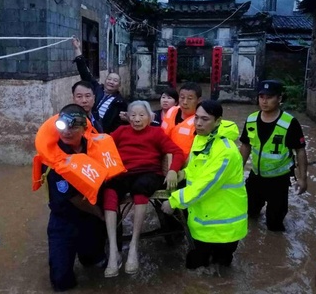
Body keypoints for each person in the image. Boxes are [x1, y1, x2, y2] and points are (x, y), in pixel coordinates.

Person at [33, 104, 125, 291]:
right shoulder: (53, 158)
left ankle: (95, 253)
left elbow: (113, 181)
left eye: (74, 126)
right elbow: (73, 198)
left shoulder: (97, 149)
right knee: (61, 281)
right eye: (63, 126)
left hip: (91, 220)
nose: (67, 131)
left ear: (85, 128)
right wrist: (100, 214)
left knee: (94, 265)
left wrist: (108, 215)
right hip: (64, 220)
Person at [102, 101, 185, 277]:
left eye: (141, 115)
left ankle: (133, 246)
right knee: (108, 190)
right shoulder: (121, 131)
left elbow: (176, 152)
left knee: (140, 189)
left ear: (150, 117)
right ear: (127, 117)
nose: (137, 119)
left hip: (149, 173)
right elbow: (103, 146)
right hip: (124, 172)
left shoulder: (156, 133)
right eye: (133, 115)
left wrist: (172, 171)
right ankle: (114, 251)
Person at [161, 100, 248, 269]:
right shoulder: (201, 139)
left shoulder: (226, 152)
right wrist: (183, 173)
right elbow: (196, 169)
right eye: (196, 118)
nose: (198, 123)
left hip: (224, 226)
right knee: (195, 266)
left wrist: (173, 200)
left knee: (220, 268)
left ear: (218, 121)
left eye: (205, 119)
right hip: (204, 221)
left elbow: (206, 185)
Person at [239, 80, 308, 232]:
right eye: (261, 96)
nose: (264, 101)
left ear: (279, 98)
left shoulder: (290, 123)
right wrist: (236, 171)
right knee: (249, 215)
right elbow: (246, 146)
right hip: (255, 177)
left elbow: (300, 151)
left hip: (279, 181)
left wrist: (303, 179)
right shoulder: (251, 120)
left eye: (269, 97)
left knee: (275, 225)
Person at [72, 38, 127, 134]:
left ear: (119, 85)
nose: (111, 82)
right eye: (109, 79)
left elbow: (119, 125)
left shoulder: (120, 102)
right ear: (105, 81)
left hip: (102, 134)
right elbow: (84, 71)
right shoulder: (96, 88)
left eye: (115, 80)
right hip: (85, 128)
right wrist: (77, 48)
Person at [161, 82, 202, 158]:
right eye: (182, 97)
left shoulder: (201, 121)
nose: (185, 102)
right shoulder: (171, 111)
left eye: (190, 99)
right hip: (163, 158)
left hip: (185, 163)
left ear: (198, 100)